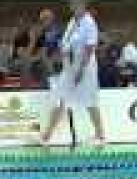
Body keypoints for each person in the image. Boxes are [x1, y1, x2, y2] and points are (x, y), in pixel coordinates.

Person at [40, 0, 107, 148]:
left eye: (77, 4)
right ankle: (47, 135)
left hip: (85, 68)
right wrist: (62, 55)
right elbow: (66, 44)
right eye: (72, 4)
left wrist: (80, 71)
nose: (74, 6)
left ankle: (101, 135)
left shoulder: (89, 23)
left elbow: (90, 49)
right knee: (60, 98)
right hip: (69, 68)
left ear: (84, 5)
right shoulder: (72, 22)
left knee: (90, 101)